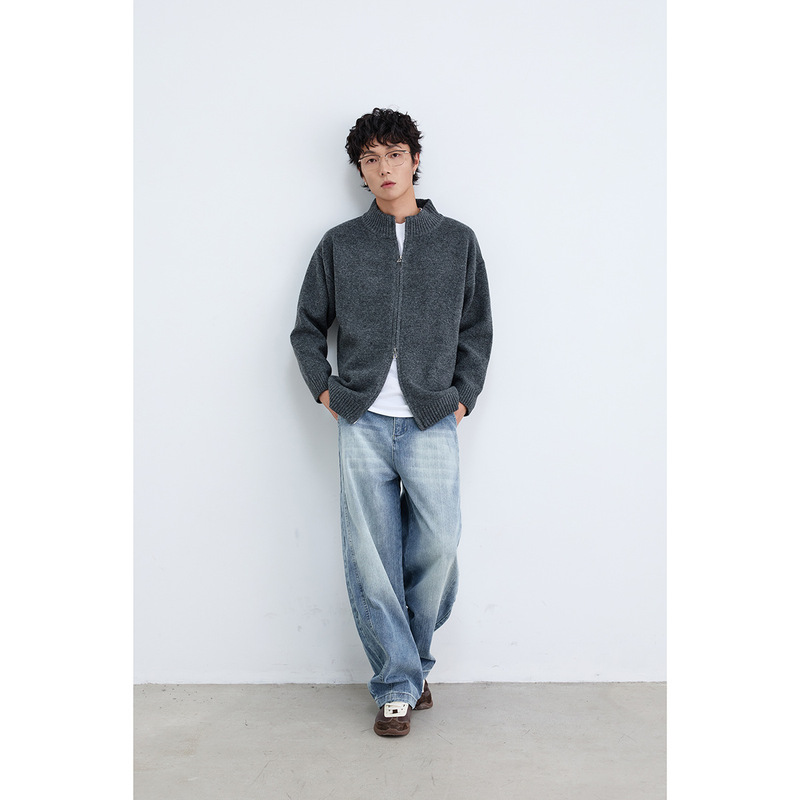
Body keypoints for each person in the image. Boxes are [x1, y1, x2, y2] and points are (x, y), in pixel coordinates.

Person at [290, 108, 492, 736]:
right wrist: (326, 389)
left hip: (432, 417)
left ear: (415, 160)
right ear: (361, 169)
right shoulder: (341, 244)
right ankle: (397, 685)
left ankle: (413, 661)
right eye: (371, 158)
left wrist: (463, 395)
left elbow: (477, 329)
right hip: (363, 419)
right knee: (371, 557)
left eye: (394, 155)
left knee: (440, 547)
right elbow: (306, 328)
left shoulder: (457, 241)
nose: (384, 168)